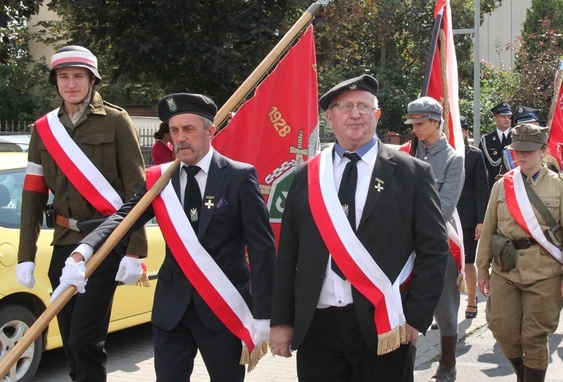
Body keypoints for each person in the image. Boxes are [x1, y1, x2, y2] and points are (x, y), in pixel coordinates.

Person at [52, 93, 276, 382]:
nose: (180, 138)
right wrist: (82, 252)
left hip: (223, 308)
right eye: (174, 130)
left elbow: (262, 248)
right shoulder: (160, 180)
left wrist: (264, 312)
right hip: (172, 311)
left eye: (189, 129)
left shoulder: (238, 176)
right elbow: (123, 218)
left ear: (211, 131)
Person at [270, 75, 447, 382]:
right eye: (345, 106)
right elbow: (288, 255)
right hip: (317, 326)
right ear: (330, 117)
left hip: (385, 323)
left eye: (364, 107)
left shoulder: (412, 173)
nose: (355, 114)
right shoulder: (306, 176)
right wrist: (282, 321)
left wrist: (415, 317)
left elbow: (434, 250)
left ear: (376, 115)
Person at [16, 45, 148, 382]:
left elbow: (138, 189)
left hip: (105, 242)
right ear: (55, 82)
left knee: (85, 339)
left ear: (92, 80)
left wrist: (135, 250)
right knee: (70, 343)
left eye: (78, 76)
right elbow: (32, 195)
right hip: (63, 243)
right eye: (64, 77)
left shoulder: (117, 121)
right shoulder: (43, 129)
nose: (71, 84)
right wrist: (26, 255)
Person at [476, 124, 563, 382]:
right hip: (507, 269)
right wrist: (482, 270)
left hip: (545, 271)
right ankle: (523, 374)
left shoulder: (560, 187)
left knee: (534, 336)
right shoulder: (502, 186)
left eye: (528, 150)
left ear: (543, 151)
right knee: (501, 328)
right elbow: (489, 228)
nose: (522, 156)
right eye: (517, 151)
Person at [405, 97, 464, 382]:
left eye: (420, 123)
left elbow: (444, 207)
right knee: (407, 307)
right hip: (405, 245)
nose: (415, 128)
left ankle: (447, 364)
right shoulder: (407, 154)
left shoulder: (454, 159)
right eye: (412, 123)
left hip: (437, 243)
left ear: (436, 122)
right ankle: (405, 364)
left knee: (445, 308)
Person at [457, 116, 489, 320]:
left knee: (468, 261)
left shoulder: (474, 156)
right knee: (446, 265)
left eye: (460, 129)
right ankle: (445, 309)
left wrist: (481, 220)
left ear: (466, 132)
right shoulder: (441, 154)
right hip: (446, 218)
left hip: (468, 219)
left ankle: (471, 300)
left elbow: (481, 189)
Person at [478, 102, 513, 183]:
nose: (507, 119)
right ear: (495, 118)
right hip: (493, 186)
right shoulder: (486, 140)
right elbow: (481, 168)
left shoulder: (518, 138)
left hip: (514, 186)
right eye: (503, 116)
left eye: (508, 116)